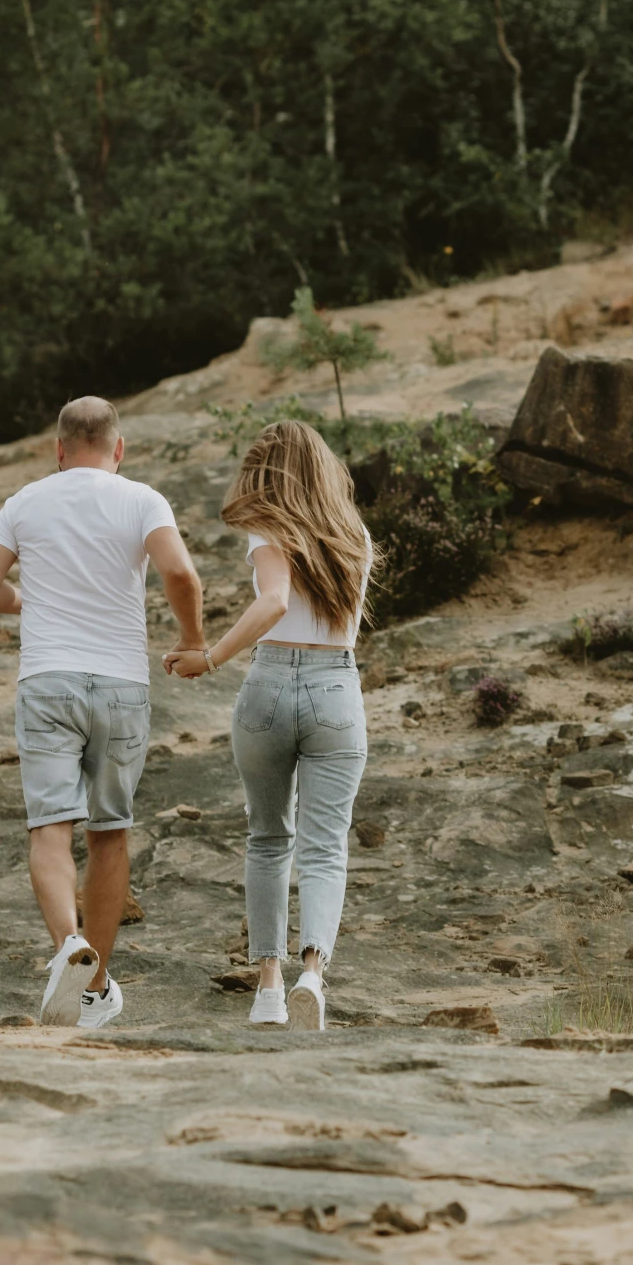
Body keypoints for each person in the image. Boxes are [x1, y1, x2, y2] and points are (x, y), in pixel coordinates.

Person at [0, 396, 205, 1028]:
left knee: (50, 827)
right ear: (118, 449)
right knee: (110, 833)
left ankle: (68, 943)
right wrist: (193, 639)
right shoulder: (142, 499)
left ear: (60, 448)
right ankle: (95, 985)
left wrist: (25, 602)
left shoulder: (26, 501)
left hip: (49, 680)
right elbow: (181, 573)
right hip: (122, 684)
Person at [167, 420, 371, 1030]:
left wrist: (210, 657)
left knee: (267, 838)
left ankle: (268, 989)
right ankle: (313, 973)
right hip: (337, 685)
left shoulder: (268, 528)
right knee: (324, 844)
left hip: (270, 683)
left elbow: (275, 600)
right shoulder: (353, 532)